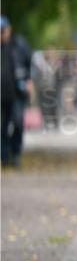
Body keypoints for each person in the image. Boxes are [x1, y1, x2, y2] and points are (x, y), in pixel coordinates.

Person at [1, 15, 33, 168]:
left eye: (2, 30)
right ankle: (4, 156)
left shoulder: (19, 45)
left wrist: (29, 81)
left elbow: (30, 64)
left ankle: (16, 153)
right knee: (2, 126)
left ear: (8, 29)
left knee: (18, 123)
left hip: (17, 94)